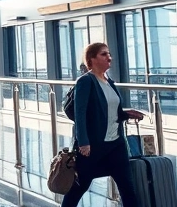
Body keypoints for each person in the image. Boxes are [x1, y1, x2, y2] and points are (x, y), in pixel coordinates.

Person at [61, 42, 144, 207]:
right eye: (103, 54)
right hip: (93, 145)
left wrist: (126, 114)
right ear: (91, 59)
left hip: (116, 143)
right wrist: (83, 142)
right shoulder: (85, 81)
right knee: (80, 186)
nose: (109, 57)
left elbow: (109, 110)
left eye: (109, 53)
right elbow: (80, 113)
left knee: (127, 187)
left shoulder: (109, 81)